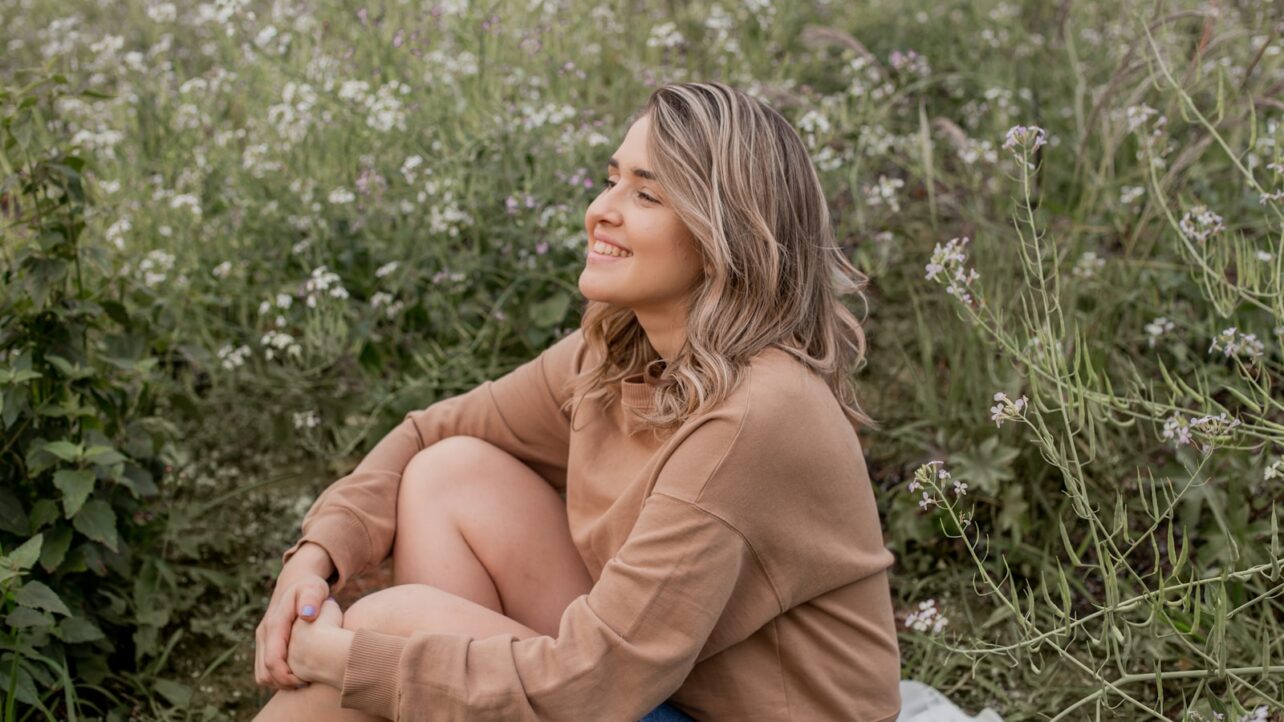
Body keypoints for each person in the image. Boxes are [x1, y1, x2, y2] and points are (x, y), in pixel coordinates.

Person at [252, 81, 902, 721]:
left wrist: (340, 658)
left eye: (646, 193)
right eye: (611, 178)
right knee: (449, 475)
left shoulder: (755, 415)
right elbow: (426, 432)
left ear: (723, 237)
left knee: (390, 625)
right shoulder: (622, 351)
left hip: (679, 703)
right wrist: (313, 561)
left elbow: (590, 684)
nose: (601, 209)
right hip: (654, 690)